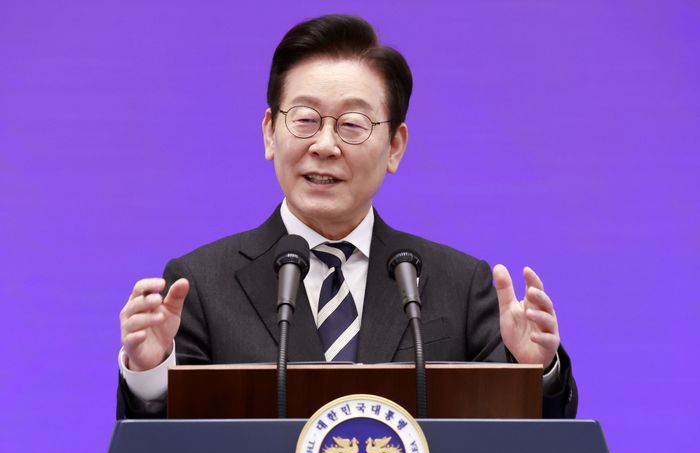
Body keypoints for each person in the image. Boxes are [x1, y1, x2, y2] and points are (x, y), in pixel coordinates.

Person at [117, 14, 577, 419]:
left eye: (352, 125)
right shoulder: (201, 285)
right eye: (305, 119)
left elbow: (517, 447)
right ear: (270, 133)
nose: (324, 145)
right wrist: (151, 373)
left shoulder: (459, 285)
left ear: (395, 146)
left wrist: (534, 371)